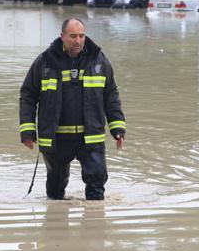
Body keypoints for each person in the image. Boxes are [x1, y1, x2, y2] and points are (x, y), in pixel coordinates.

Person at [19, 18, 126, 200]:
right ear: (62, 37)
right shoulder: (45, 62)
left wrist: (118, 128)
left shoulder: (99, 61)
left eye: (81, 36)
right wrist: (28, 131)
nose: (78, 41)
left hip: (91, 137)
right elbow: (28, 95)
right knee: (55, 187)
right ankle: (55, 223)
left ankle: (94, 224)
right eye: (73, 36)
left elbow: (111, 95)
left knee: (96, 183)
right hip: (57, 138)